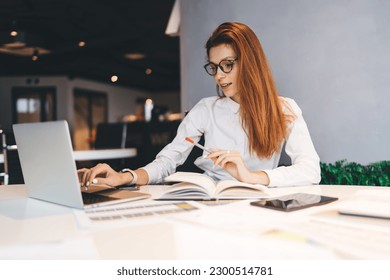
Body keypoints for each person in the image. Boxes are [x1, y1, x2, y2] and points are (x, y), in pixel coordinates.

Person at [79, 22, 321, 188]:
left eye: (227, 64)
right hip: (209, 206)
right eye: (214, 67)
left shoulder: (284, 109)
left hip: (258, 208)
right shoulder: (206, 110)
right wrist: (127, 177)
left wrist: (251, 177)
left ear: (250, 63)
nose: (218, 76)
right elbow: (168, 161)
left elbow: (311, 170)